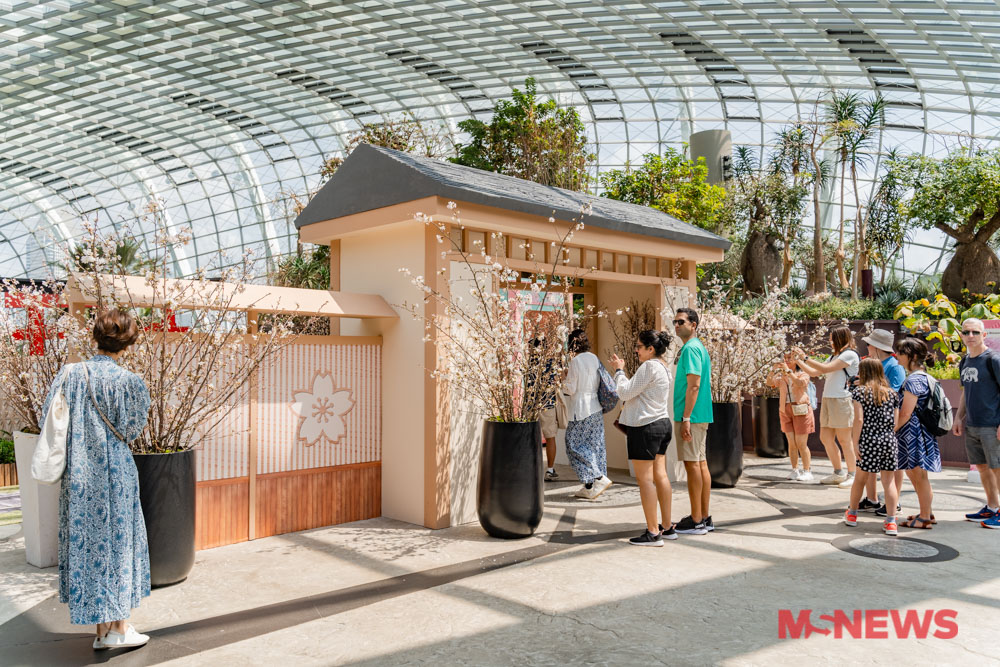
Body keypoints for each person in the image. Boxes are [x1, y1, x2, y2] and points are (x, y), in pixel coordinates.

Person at [41, 310, 152, 650]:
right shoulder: (130, 382)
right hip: (116, 475)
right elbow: (132, 429)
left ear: (96, 337)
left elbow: (49, 417)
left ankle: (102, 632)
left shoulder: (69, 374)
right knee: (118, 545)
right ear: (128, 343)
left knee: (88, 546)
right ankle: (120, 628)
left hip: (79, 476)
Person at [610, 330, 675, 546]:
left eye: (639, 346)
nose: (636, 350)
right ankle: (667, 526)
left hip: (645, 427)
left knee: (645, 480)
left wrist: (619, 371)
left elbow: (624, 392)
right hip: (662, 424)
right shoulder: (664, 367)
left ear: (651, 348)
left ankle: (653, 532)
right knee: (660, 475)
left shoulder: (648, 367)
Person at [794, 325, 860, 488]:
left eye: (832, 339)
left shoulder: (849, 355)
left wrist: (805, 357)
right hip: (829, 399)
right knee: (826, 438)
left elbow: (825, 369)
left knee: (845, 440)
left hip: (842, 400)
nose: (831, 342)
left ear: (840, 339)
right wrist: (797, 360)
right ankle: (838, 473)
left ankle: (853, 474)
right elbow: (814, 373)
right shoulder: (834, 356)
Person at [843, 359, 902, 536]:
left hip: (868, 440)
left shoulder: (859, 392)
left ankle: (852, 514)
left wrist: (855, 442)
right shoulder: (892, 394)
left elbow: (859, 419)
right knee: (889, 482)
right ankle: (891, 522)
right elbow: (895, 422)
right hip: (888, 440)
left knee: (860, 479)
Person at [953, 318, 1000, 529]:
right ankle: (992, 507)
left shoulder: (993, 359)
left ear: (984, 335)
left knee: (997, 468)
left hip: (992, 424)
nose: (970, 336)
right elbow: (966, 391)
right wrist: (958, 417)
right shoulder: (965, 361)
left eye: (975, 332)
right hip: (972, 424)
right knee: (982, 467)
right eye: (966, 332)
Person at [672, 308, 714, 535]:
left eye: (681, 321)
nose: (676, 325)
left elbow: (694, 385)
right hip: (699, 415)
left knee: (693, 465)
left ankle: (697, 519)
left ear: (694, 324)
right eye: (675, 321)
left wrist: (686, 417)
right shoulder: (697, 347)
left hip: (692, 416)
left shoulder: (691, 349)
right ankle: (704, 517)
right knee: (700, 463)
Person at [893, 337, 942, 529]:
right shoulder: (923, 376)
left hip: (913, 432)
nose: (897, 355)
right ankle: (926, 512)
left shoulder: (914, 380)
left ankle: (924, 518)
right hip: (920, 431)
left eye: (901, 353)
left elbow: (906, 412)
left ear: (912, 357)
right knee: (916, 474)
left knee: (918, 474)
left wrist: (892, 429)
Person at [859, 328, 906, 514]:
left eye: (869, 344)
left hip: (889, 424)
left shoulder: (894, 367)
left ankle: (894, 502)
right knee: (870, 462)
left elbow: (894, 394)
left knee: (893, 466)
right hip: (872, 423)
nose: (867, 347)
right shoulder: (876, 363)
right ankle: (872, 498)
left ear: (877, 347)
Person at [562, 329, 612, 499]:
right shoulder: (594, 358)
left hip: (581, 409)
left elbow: (570, 389)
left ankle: (598, 478)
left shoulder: (575, 361)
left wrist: (562, 379)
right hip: (596, 407)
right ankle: (590, 487)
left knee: (573, 444)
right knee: (594, 446)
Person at [766, 352, 814, 482]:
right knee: (791, 443)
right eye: (785, 358)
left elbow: (800, 383)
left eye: (789, 358)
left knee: (801, 443)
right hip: (785, 409)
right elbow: (769, 382)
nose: (786, 360)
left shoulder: (803, 373)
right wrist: (773, 370)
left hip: (801, 409)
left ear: (796, 360)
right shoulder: (781, 376)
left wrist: (788, 372)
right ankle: (795, 470)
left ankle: (807, 470)